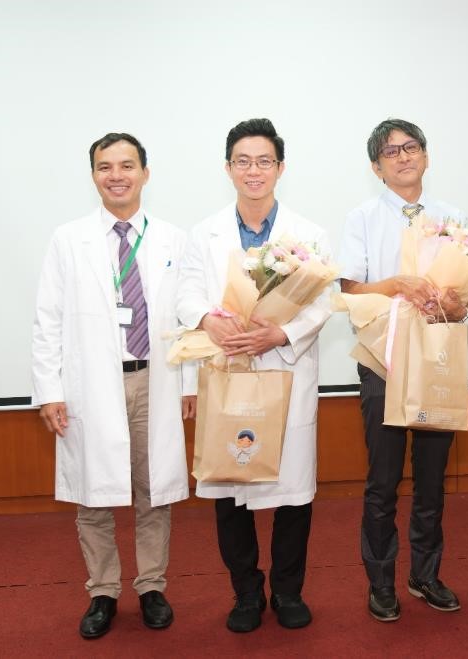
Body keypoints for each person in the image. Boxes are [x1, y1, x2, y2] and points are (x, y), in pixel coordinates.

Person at [31, 132, 194, 638]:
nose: (117, 175)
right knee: (94, 493)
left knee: (153, 490)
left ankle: (151, 586)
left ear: (145, 172)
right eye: (106, 167)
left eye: (127, 165)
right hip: (91, 387)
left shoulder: (173, 239)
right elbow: (48, 320)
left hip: (155, 380)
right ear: (94, 175)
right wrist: (50, 390)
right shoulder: (68, 238)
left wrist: (189, 381)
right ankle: (102, 592)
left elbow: (188, 319)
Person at [177, 118, 331, 632]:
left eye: (264, 161)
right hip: (227, 369)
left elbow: (324, 301)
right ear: (228, 168)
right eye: (242, 161)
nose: (253, 170)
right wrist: (208, 321)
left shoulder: (308, 234)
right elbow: (188, 294)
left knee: (292, 495)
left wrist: (281, 335)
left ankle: (287, 592)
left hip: (284, 370)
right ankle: (246, 594)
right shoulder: (205, 232)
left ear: (281, 168)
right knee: (230, 489)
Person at [338, 118, 468, 622]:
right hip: (384, 362)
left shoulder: (451, 216)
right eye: (390, 152)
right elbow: (349, 291)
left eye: (410, 147)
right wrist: (395, 284)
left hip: (436, 359)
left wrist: (458, 302)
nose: (403, 157)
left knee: (432, 480)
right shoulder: (363, 218)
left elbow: (467, 300)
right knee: (384, 480)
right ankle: (381, 582)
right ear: (377, 167)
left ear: (426, 156)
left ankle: (426, 575)